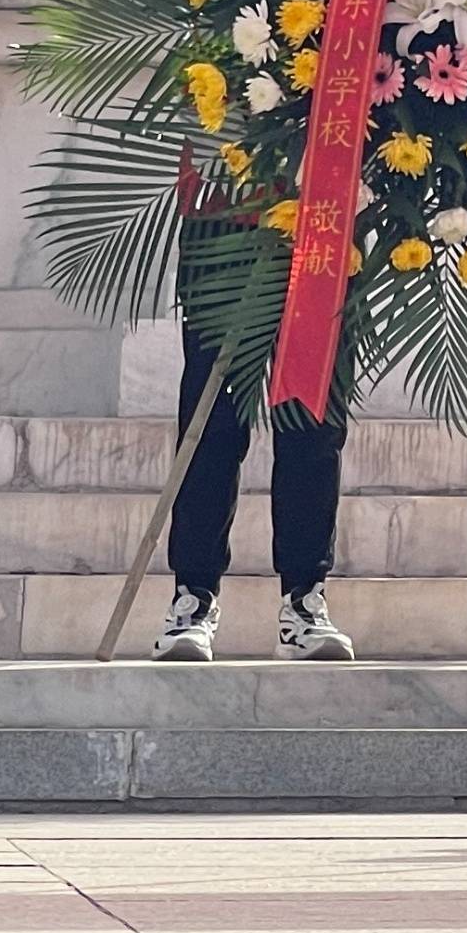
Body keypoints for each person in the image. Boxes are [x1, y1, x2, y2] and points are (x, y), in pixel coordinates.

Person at [150, 171, 351, 660]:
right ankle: (193, 598)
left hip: (328, 212)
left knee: (311, 420)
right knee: (212, 419)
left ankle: (304, 600)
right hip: (225, 208)